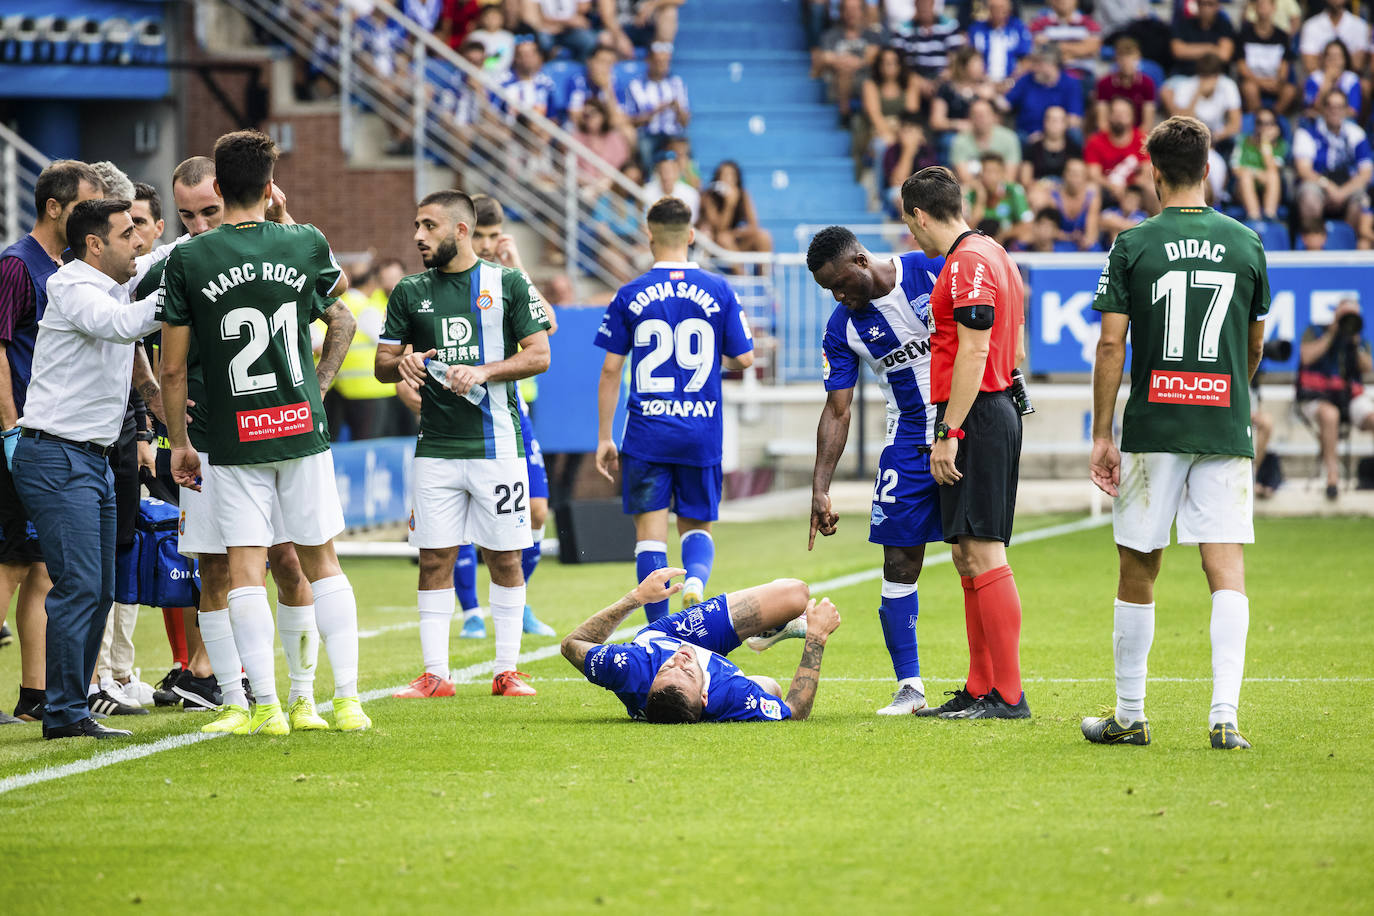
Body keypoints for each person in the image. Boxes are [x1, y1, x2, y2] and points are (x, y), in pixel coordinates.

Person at [161, 130, 369, 736]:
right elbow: (337, 299)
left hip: (230, 435)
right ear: (271, 186)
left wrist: (179, 441)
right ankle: (346, 703)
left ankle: (265, 709)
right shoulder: (305, 241)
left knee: (243, 568)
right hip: (301, 428)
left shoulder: (191, 258)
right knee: (321, 561)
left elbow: (173, 367)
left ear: (219, 189)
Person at [1084, 115, 1270, 750]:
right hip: (1222, 424)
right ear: (1209, 169)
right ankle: (1224, 716)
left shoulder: (1133, 244)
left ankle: (1131, 715)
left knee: (1139, 564)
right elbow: (1254, 343)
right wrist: (1230, 396)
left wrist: (1101, 433)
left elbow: (1112, 345)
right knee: (1225, 567)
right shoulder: (1247, 243)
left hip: (1153, 425)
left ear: (1154, 174)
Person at [375, 189, 551, 699]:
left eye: (428, 226)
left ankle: (507, 670)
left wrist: (486, 370)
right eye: (415, 226)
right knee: (434, 559)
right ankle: (436, 675)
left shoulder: (508, 284)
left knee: (506, 558)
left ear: (460, 230)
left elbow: (539, 354)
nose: (417, 236)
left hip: (498, 448)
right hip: (435, 450)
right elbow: (382, 365)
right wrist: (401, 364)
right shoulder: (409, 291)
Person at [9, 198, 165, 739]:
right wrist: (172, 298)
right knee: (78, 585)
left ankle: (68, 707)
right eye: (128, 234)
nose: (139, 242)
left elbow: (162, 258)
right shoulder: (73, 286)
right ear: (95, 244)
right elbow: (122, 326)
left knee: (96, 588)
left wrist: (211, 243)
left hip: (91, 457)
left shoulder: (111, 278)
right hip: (57, 454)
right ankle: (63, 713)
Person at [899, 165, 1029, 721]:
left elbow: (976, 353)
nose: (912, 235)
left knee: (983, 551)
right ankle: (981, 687)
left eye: (910, 224)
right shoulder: (991, 253)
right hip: (980, 410)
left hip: (976, 414)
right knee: (963, 553)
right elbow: (1014, 344)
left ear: (921, 214)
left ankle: (1009, 694)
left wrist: (950, 431)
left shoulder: (968, 263)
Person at [594, 197, 755, 621]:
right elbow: (745, 359)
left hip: (647, 433)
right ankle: (697, 582)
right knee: (696, 526)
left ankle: (661, 630)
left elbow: (611, 370)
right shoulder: (719, 289)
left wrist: (604, 436)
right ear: (692, 235)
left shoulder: (629, 293)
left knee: (650, 536)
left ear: (648, 235)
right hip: (700, 431)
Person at [806, 225, 944, 716]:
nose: (840, 296)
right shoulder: (841, 328)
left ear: (861, 260)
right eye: (830, 292)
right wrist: (821, 488)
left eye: (842, 283)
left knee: (976, 556)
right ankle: (910, 687)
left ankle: (991, 684)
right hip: (907, 440)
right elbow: (837, 411)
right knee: (898, 563)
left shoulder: (930, 268)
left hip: (967, 425)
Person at [0, 160, 102, 725]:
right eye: (83, 204)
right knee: (12, 561)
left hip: (45, 430)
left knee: (40, 566)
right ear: (56, 207)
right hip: (20, 431)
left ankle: (34, 693)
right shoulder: (18, 265)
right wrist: (9, 427)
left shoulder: (64, 267)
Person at [559, 567, 841, 722]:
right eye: (687, 671)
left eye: (667, 667)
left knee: (795, 595)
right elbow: (794, 712)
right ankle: (772, 631)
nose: (680, 659)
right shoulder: (731, 694)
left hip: (672, 636)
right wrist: (816, 638)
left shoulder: (628, 667)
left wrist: (637, 597)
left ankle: (769, 628)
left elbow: (572, 643)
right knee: (771, 688)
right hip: (725, 682)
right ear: (704, 698)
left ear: (650, 682)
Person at [463, 193, 557, 640]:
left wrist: (516, 261)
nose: (484, 244)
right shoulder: (454, 277)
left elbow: (548, 323)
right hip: (462, 410)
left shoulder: (506, 276)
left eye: (491, 236)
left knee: (536, 511)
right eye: (477, 234)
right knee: (464, 516)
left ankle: (517, 599)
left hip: (515, 408)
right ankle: (470, 613)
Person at [1297, 299, 1374, 500]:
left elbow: (1367, 368)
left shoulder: (1357, 339)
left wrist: (1355, 343)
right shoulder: (1315, 331)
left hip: (1347, 397)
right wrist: (1332, 334)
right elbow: (1306, 357)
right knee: (1330, 415)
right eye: (1344, 316)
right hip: (1316, 397)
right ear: (1335, 315)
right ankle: (1333, 477)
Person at [1293, 89, 1373, 251]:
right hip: (1319, 185)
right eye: (1330, 106)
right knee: (1309, 195)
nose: (1334, 110)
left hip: (1347, 187)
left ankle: (1346, 245)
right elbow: (1304, 170)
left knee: (1361, 198)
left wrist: (1342, 192)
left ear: (1346, 110)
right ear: (1322, 108)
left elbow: (1365, 173)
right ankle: (1313, 246)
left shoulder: (1356, 134)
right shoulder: (1307, 132)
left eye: (1339, 106)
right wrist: (1329, 187)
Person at [814, 0, 886, 124]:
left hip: (867, 82)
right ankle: (845, 116)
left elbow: (874, 56)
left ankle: (865, 121)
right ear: (841, 12)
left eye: (855, 9)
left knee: (868, 85)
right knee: (844, 73)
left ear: (862, 12)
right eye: (847, 9)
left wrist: (841, 59)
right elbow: (824, 57)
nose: (850, 13)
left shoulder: (872, 35)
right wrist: (858, 61)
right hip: (837, 83)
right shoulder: (831, 35)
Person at [1086, 97, 1157, 212]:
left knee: (1152, 188)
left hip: (1134, 190)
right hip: (1106, 190)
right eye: (1115, 113)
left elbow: (1146, 171)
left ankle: (1161, 228)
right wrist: (1112, 186)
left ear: (1132, 117)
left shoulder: (1142, 139)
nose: (1119, 117)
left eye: (1124, 113)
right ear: (1109, 116)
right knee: (1091, 189)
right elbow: (1093, 174)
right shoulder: (1095, 141)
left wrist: (1128, 190)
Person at [625, 41, 690, 167]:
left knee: (683, 150)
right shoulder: (636, 85)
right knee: (645, 149)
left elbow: (685, 121)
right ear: (649, 61)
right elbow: (631, 120)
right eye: (658, 61)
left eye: (666, 62)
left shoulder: (677, 83)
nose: (662, 66)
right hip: (648, 134)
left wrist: (677, 108)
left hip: (673, 134)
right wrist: (654, 112)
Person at [1161, 53, 1243, 153]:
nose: (1207, 81)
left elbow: (1235, 124)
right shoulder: (1187, 86)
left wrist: (1215, 137)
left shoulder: (1228, 86)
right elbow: (1179, 122)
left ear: (1218, 75)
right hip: (1189, 138)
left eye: (1211, 76)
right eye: (1204, 76)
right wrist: (1197, 94)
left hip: (1218, 139)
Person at [888, 0, 964, 97]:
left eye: (926, 3)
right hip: (914, 79)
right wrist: (918, 81)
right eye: (920, 4)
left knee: (943, 91)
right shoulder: (903, 29)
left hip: (942, 79)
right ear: (915, 5)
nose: (924, 7)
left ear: (933, 4)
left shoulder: (950, 26)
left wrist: (940, 80)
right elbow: (899, 59)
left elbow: (956, 56)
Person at [1005, 46, 1082, 139]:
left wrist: (1045, 137)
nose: (1034, 68)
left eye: (1038, 64)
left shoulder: (1070, 83)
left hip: (1057, 136)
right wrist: (991, 95)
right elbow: (1006, 104)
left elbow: (1073, 119)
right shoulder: (1027, 79)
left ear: (1052, 65)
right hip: (1027, 134)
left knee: (1075, 135)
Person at [698, 161, 773, 257]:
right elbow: (719, 230)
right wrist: (729, 205)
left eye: (731, 175)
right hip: (715, 244)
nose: (727, 179)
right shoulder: (709, 197)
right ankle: (741, 272)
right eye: (723, 175)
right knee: (724, 239)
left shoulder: (742, 194)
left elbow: (753, 225)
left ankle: (764, 272)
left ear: (737, 179)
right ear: (717, 178)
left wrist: (735, 234)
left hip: (734, 240)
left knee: (764, 236)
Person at [1238, 0, 1297, 114]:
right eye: (1260, 5)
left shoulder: (1282, 36)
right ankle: (1257, 120)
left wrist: (1278, 81)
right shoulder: (1244, 34)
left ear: (1274, 8)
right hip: (1253, 81)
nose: (1263, 8)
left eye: (1266, 5)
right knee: (1249, 88)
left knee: (1290, 90)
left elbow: (1284, 66)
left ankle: (1274, 118)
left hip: (1274, 82)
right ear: (1254, 8)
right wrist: (1261, 82)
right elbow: (1241, 67)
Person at [965, 153, 1033, 248]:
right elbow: (966, 230)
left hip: (1006, 243)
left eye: (993, 171)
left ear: (1002, 173)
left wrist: (1002, 235)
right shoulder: (972, 194)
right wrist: (980, 200)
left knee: (1027, 236)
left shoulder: (1014, 191)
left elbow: (1028, 224)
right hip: (979, 244)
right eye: (985, 171)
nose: (988, 176)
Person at [1231, 111, 1288, 221]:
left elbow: (1273, 168)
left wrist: (1265, 143)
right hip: (1242, 188)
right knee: (1245, 175)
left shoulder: (1281, 146)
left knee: (1273, 175)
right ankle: (1254, 216)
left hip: (1268, 186)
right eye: (1259, 122)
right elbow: (1235, 168)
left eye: (1268, 123)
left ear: (1275, 126)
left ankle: (1269, 215)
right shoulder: (1243, 141)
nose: (1263, 127)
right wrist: (1256, 174)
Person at [949, 98, 1022, 183]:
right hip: (971, 190)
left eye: (984, 115)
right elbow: (964, 178)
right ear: (969, 118)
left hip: (1002, 189)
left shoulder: (1010, 138)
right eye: (976, 115)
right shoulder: (960, 140)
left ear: (994, 117)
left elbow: (1010, 177)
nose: (980, 119)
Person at [1028, 0, 1101, 80]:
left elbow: (1091, 49)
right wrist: (1077, 49)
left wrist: (1052, 46)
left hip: (1082, 77)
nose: (1062, 1)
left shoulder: (1090, 23)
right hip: (1048, 77)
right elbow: (1036, 51)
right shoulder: (1038, 23)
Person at [966, 0, 1032, 88]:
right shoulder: (976, 29)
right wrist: (984, 80)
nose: (998, 11)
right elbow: (970, 59)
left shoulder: (1018, 28)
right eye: (994, 8)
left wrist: (1011, 81)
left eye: (1002, 7)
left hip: (1012, 84)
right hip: (983, 83)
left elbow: (1026, 60)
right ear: (988, 9)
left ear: (1009, 9)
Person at [1095, 36, 1156, 131]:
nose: (1127, 63)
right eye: (1122, 58)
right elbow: (1102, 122)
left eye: (1131, 58)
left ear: (1138, 58)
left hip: (1138, 136)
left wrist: (1131, 141)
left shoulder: (1147, 83)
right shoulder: (1104, 83)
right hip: (1111, 135)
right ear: (1116, 60)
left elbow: (1147, 124)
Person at [1298, 0, 1369, 75]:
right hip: (1320, 82)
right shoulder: (1310, 25)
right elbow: (1310, 66)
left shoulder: (1360, 25)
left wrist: (1322, 59)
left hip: (1350, 81)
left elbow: (1358, 65)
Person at [1170, 0, 1236, 76]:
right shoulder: (1183, 24)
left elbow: (1224, 55)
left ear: (1218, 6)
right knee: (1168, 87)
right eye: (1203, 4)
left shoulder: (1224, 26)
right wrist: (1211, 48)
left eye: (1210, 4)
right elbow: (1178, 51)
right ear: (1197, 5)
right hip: (1185, 75)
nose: (1206, 8)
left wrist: (1189, 50)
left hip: (1216, 76)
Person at [521, 0, 598, 61]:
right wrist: (565, 22)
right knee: (543, 40)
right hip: (547, 29)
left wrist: (563, 24)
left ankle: (580, 70)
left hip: (570, 30)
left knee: (589, 40)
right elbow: (532, 17)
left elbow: (583, 8)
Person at [1302, 39, 1362, 117]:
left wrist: (1330, 115)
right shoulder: (1314, 78)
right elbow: (1310, 109)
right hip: (1317, 122)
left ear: (1345, 60)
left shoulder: (1352, 80)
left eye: (1338, 56)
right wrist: (1327, 81)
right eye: (1330, 56)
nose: (1334, 60)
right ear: (1324, 59)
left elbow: (1352, 111)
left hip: (1344, 122)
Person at [643, 149, 700, 223]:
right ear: (658, 172)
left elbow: (691, 222)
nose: (666, 176)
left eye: (670, 171)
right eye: (663, 171)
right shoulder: (647, 191)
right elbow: (645, 221)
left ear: (677, 171)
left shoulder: (691, 194)